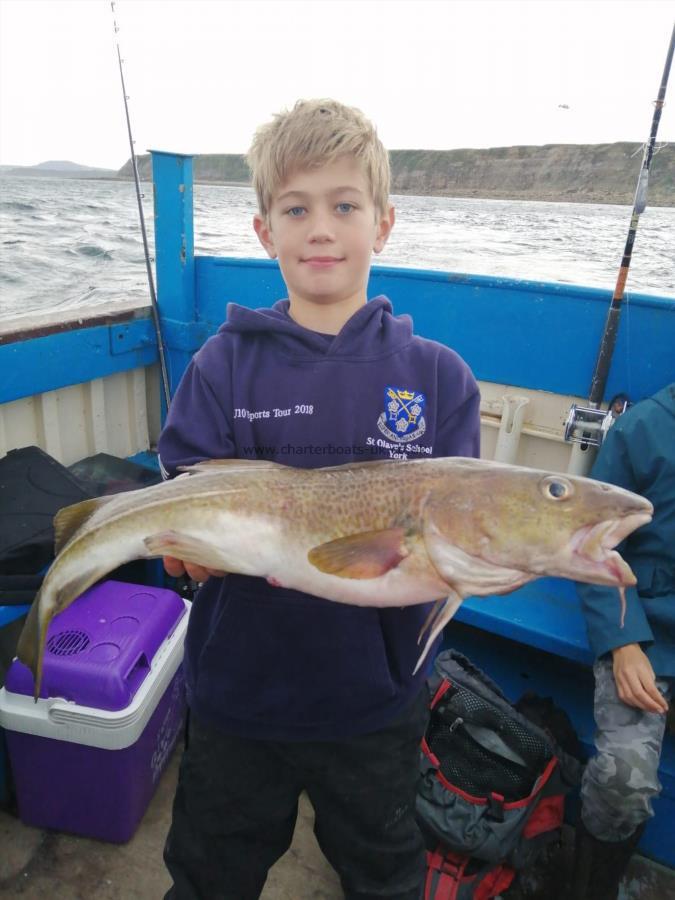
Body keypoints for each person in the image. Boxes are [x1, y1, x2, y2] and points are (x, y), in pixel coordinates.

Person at [157, 99, 481, 900]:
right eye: (296, 208)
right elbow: (181, 535)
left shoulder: (439, 378)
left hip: (374, 703)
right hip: (238, 698)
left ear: (384, 222)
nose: (321, 229)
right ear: (265, 231)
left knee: (384, 874)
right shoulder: (221, 366)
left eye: (345, 206)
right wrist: (185, 558)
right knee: (208, 876)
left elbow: (455, 539)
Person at [573, 383, 675, 900]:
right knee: (623, 783)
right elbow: (590, 545)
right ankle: (592, 885)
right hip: (648, 636)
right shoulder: (643, 428)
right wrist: (625, 642)